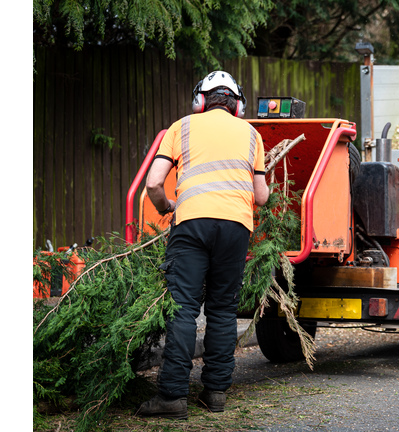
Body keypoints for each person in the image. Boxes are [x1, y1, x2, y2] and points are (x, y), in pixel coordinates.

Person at [137, 71, 269, 419]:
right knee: (223, 311)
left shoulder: (181, 127)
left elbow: (152, 184)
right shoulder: (253, 134)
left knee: (183, 309)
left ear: (200, 101)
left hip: (192, 224)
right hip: (236, 228)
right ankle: (215, 395)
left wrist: (167, 206)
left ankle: (172, 398)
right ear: (237, 105)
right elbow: (262, 196)